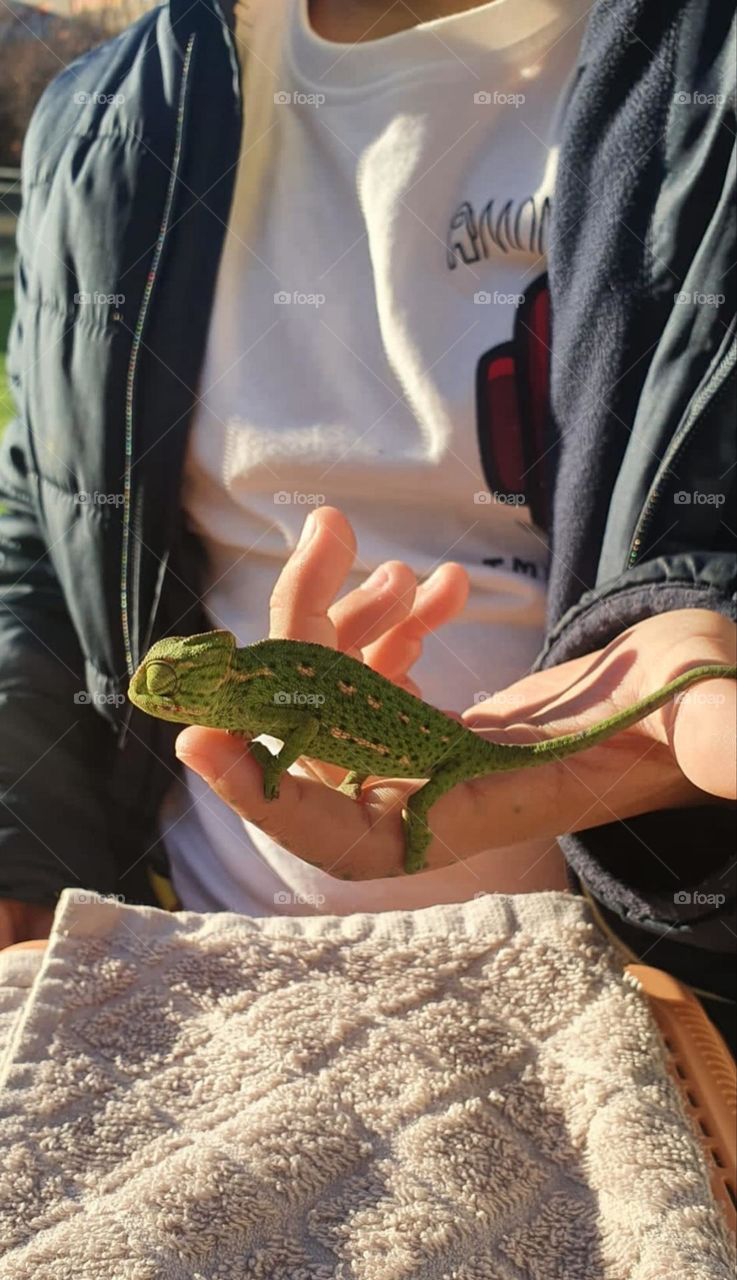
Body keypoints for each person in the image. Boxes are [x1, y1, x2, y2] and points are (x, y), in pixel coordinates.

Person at [0, 0, 734, 1044]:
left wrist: (696, 628)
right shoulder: (106, 122)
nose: (162, 693)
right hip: (217, 978)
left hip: (622, 1016)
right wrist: (20, 833)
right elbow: (44, 521)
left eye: (178, 682)